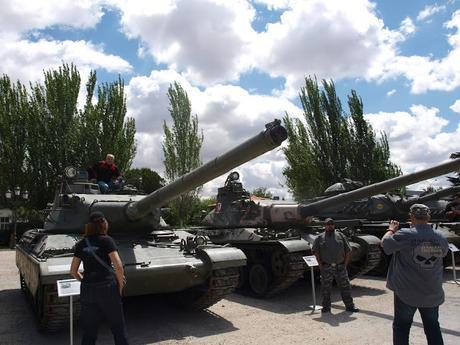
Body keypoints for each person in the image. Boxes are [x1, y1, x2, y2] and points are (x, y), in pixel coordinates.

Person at [381, 204, 449, 345]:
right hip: (432, 293)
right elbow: (443, 253)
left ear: (411, 217)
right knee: (433, 328)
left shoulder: (405, 234)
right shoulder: (440, 237)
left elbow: (385, 244)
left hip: (407, 293)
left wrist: (391, 229)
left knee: (401, 328)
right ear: (428, 217)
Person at [70, 211, 129, 345]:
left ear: (89, 225)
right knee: (118, 328)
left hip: (87, 290)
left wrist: (84, 281)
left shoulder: (81, 244)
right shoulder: (106, 240)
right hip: (107, 288)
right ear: (104, 224)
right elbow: (118, 266)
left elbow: (73, 271)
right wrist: (119, 286)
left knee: (89, 331)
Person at [312, 218, 359, 313]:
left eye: (332, 224)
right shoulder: (319, 237)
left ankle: (350, 306)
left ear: (334, 225)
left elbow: (348, 251)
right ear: (324, 225)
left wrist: (345, 264)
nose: (330, 226)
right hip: (327, 266)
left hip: (340, 266)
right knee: (326, 288)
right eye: (328, 224)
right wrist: (320, 265)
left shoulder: (341, 235)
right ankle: (326, 307)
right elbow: (316, 252)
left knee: (345, 287)